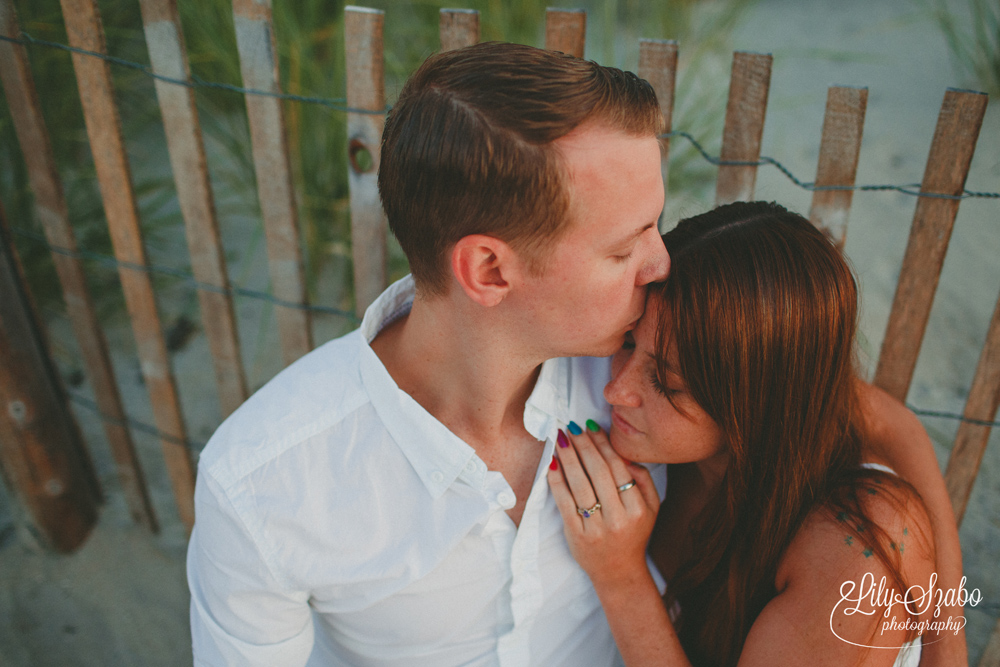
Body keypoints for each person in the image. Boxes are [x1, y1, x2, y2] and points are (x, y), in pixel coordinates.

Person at [187, 42, 961, 666]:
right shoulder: (263, 486)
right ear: (490, 270)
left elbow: (856, 413)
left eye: (656, 225)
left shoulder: (642, 360)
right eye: (626, 246)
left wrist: (949, 641)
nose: (662, 266)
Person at [548, 201, 967, 666]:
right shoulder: (748, 417)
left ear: (756, 410)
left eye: (667, 385)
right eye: (629, 341)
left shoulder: (854, 551)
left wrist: (621, 578)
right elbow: (888, 418)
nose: (614, 389)